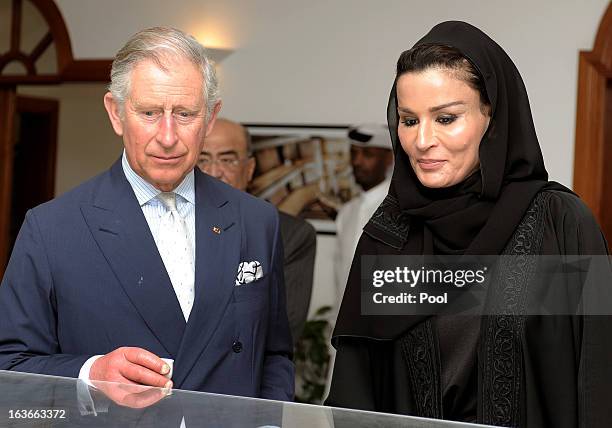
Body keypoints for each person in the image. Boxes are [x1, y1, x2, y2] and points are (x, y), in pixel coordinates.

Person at [326, 21, 611, 427]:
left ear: (491, 118)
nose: (422, 140)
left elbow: (597, 380)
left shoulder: (561, 225)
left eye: (445, 119)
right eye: (409, 120)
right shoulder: (389, 237)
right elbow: (356, 393)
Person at [0, 27, 294, 401]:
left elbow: (274, 355)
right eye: (150, 112)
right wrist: (90, 374)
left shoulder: (257, 221)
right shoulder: (52, 229)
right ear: (116, 113)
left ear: (211, 117)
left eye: (185, 114)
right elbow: (8, 366)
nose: (168, 136)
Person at [198, 118, 316, 345]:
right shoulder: (165, 224)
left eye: (228, 160)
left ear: (249, 169)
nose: (214, 171)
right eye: (202, 159)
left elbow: (283, 331)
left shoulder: (288, 235)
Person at [334, 124, 393, 302]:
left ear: (389, 159)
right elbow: (340, 279)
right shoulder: (346, 213)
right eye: (354, 154)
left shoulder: (402, 210)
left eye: (367, 155)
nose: (357, 162)